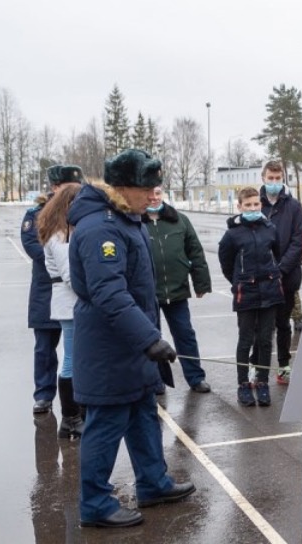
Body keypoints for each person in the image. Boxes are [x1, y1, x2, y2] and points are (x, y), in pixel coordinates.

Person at [68, 149, 194, 528]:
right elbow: (109, 293)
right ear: (123, 188)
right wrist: (149, 339)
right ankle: (94, 504)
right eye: (147, 188)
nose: (154, 194)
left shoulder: (126, 219)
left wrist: (146, 339)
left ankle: (153, 483)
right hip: (111, 349)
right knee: (106, 425)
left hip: (131, 345)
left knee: (142, 413)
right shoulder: (102, 228)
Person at [24, 164, 84, 414]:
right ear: (54, 187)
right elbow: (32, 244)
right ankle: (44, 394)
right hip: (48, 287)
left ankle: (73, 406)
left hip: (66, 287)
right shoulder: (38, 213)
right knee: (45, 348)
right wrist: (60, 263)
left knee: (75, 351)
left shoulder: (78, 213)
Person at [219, 187, 285, 408]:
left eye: (256, 204)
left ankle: (262, 381)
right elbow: (227, 264)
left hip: (269, 292)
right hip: (245, 293)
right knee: (245, 340)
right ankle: (243, 384)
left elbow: (276, 254)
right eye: (248, 205)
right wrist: (240, 280)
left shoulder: (270, 229)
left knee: (265, 340)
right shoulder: (232, 235)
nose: (253, 208)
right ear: (240, 207)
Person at [145, 186, 212, 393]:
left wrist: (201, 283)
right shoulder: (135, 221)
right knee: (151, 339)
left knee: (185, 334)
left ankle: (195, 377)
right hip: (148, 293)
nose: (154, 198)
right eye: (150, 193)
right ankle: (156, 381)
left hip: (177, 290)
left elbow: (195, 252)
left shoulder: (179, 220)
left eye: (157, 193)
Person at [36, 182, 84, 439]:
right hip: (71, 302)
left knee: (77, 358)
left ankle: (77, 414)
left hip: (71, 302)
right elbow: (71, 276)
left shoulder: (66, 230)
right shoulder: (61, 234)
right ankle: (71, 418)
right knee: (71, 361)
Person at [258, 161, 302, 386]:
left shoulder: (294, 207)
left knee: (283, 324)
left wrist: (280, 269)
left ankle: (284, 365)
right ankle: (259, 368)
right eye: (271, 178)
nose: (274, 182)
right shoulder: (255, 205)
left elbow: (298, 242)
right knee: (261, 325)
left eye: (278, 178)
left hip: (286, 277)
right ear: (263, 178)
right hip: (259, 278)